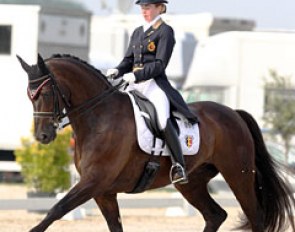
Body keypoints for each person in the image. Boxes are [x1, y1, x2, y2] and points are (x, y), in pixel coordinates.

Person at [106, 0, 198, 184]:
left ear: (160, 8)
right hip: (133, 82)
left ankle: (178, 165)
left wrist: (135, 75)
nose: (144, 11)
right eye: (142, 7)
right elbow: (128, 60)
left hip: (154, 83)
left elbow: (159, 64)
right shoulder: (138, 32)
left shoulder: (165, 31)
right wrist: (118, 70)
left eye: (148, 7)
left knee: (162, 118)